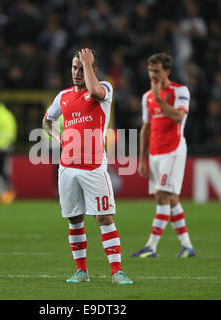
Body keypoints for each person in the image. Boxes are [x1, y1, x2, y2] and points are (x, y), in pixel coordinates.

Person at [43, 48, 133, 284]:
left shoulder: (104, 89)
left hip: (94, 167)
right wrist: (58, 137)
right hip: (67, 168)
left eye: (81, 68)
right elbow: (47, 120)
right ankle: (81, 271)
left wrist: (87, 63)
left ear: (93, 70)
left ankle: (116, 272)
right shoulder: (62, 96)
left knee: (105, 218)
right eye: (74, 67)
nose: (76, 72)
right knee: (74, 219)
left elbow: (95, 91)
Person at [132, 53, 195, 258]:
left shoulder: (179, 91)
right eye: (150, 71)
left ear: (167, 71)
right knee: (171, 197)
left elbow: (178, 116)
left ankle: (152, 246)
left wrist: (159, 98)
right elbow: (145, 129)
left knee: (161, 195)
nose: (153, 76)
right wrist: (142, 159)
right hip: (155, 152)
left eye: (157, 71)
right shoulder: (146, 96)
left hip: (173, 149)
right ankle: (187, 246)